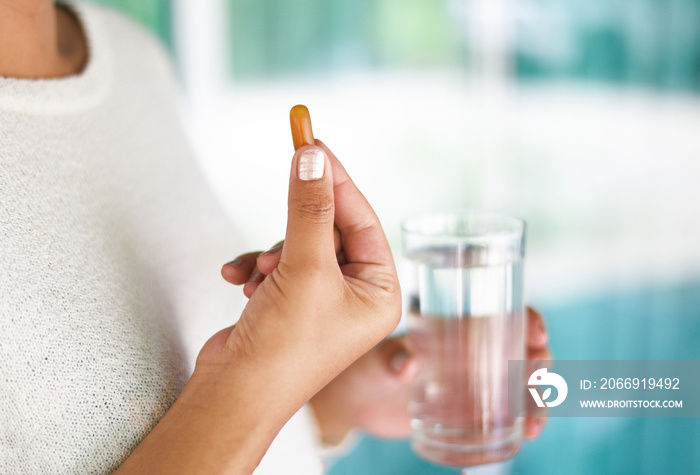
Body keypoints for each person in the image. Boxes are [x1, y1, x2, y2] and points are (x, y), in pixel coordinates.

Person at [0, 1, 550, 474]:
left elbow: (201, 418)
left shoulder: (132, 58)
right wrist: (262, 377)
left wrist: (330, 389)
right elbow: (235, 395)